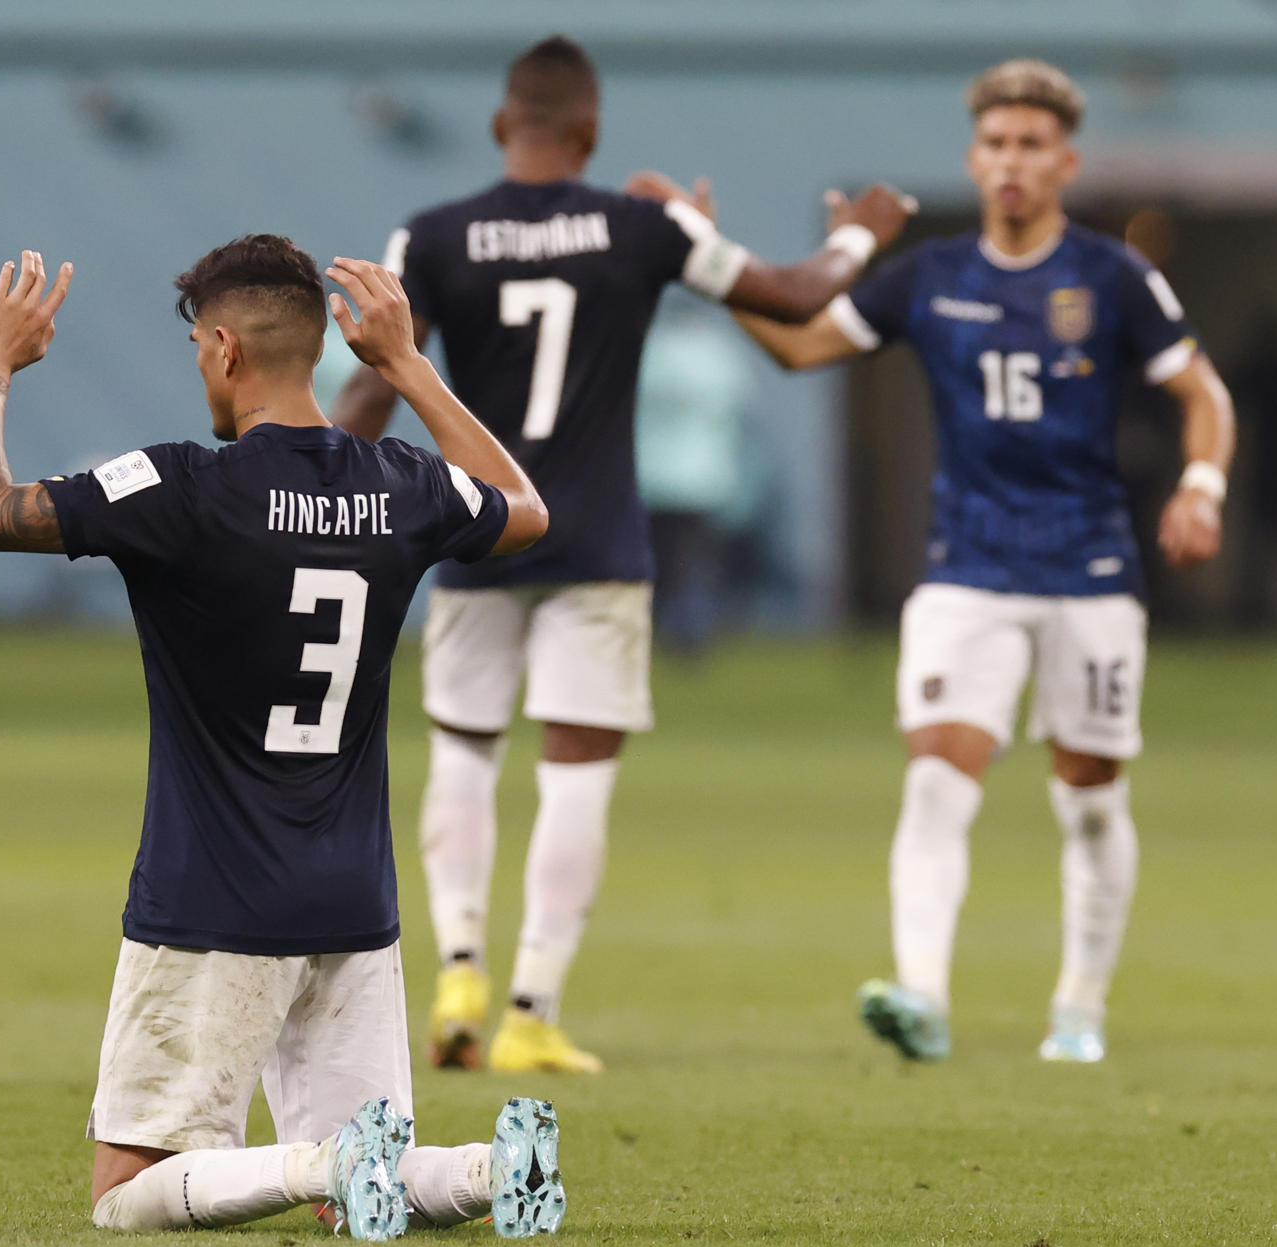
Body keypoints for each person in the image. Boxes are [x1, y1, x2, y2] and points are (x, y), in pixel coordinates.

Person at [0, 239, 565, 1238]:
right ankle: (496, 1169)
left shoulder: (181, 486)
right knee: (372, 1192)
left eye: (198, 346)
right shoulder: (403, 483)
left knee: (123, 1195)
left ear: (225, 347)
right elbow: (525, 510)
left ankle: (326, 1157)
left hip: (210, 900)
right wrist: (405, 364)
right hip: (354, 902)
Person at [331, 34, 915, 1073]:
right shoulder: (642, 226)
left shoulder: (428, 237)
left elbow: (373, 388)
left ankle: (456, 969)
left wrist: (319, 482)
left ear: (502, 125)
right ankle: (531, 1010)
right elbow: (790, 294)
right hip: (596, 538)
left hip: (475, 527)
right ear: (592, 133)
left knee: (464, 753)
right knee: (576, 777)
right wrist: (861, 237)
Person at [696, 59, 1237, 1063]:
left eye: (1032, 144)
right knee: (939, 781)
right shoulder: (930, 275)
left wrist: (1201, 485)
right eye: (996, 144)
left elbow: (1201, 391)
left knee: (1088, 797)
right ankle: (923, 996)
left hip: (1090, 568)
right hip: (966, 569)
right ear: (973, 160)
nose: (1012, 162)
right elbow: (802, 345)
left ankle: (1079, 1006)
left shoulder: (1113, 277)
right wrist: (709, 264)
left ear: (1065, 161)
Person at [635, 302, 766, 653]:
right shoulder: (719, 354)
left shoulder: (652, 348)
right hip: (704, 479)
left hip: (653, 477)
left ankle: (661, 631)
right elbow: (743, 413)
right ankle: (691, 633)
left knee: (657, 564)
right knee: (695, 565)